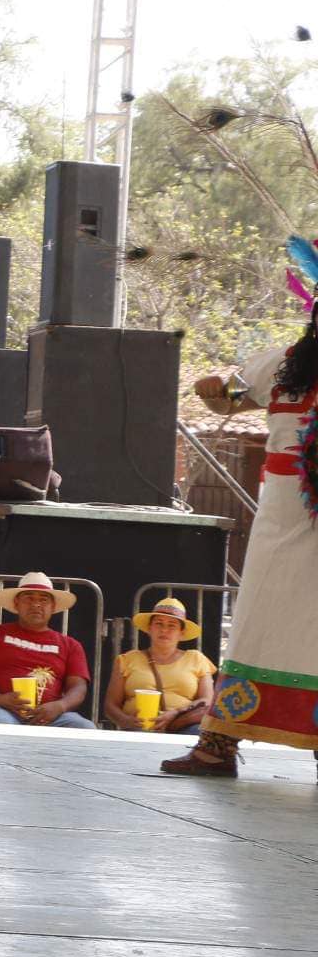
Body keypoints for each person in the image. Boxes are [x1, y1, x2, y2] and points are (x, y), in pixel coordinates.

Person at [165, 257, 318, 778]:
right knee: (257, 623)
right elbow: (227, 399)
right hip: (283, 515)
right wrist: (211, 390)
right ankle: (217, 745)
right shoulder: (281, 364)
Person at [0, 572, 95, 728]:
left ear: (53, 607)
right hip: (3, 711)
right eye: (29, 598)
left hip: (52, 716)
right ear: (16, 603)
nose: (36, 604)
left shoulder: (71, 645)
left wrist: (60, 706)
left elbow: (79, 687)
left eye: (43, 599)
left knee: (85, 728)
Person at [105, 596, 214, 734]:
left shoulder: (197, 659)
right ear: (149, 628)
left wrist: (176, 713)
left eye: (172, 625)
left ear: (182, 633)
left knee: (201, 736)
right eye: (159, 624)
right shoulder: (127, 659)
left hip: (183, 726)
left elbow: (207, 700)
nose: (164, 630)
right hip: (139, 727)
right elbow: (110, 705)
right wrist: (125, 721)